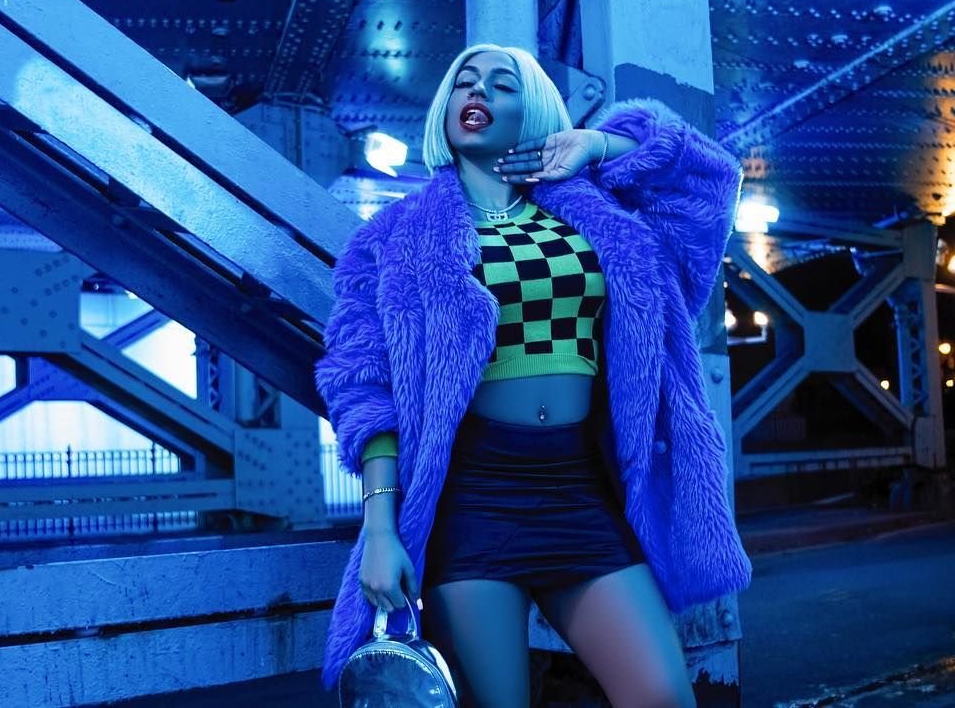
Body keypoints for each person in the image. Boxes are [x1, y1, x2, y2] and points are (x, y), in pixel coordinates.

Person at [316, 42, 751, 707]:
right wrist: (379, 529)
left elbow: (708, 178)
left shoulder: (602, 219)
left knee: (664, 698)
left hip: (582, 490)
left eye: (502, 84)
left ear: (536, 111)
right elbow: (360, 383)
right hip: (474, 498)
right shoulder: (393, 237)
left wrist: (597, 145)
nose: (478, 93)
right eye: (465, 82)